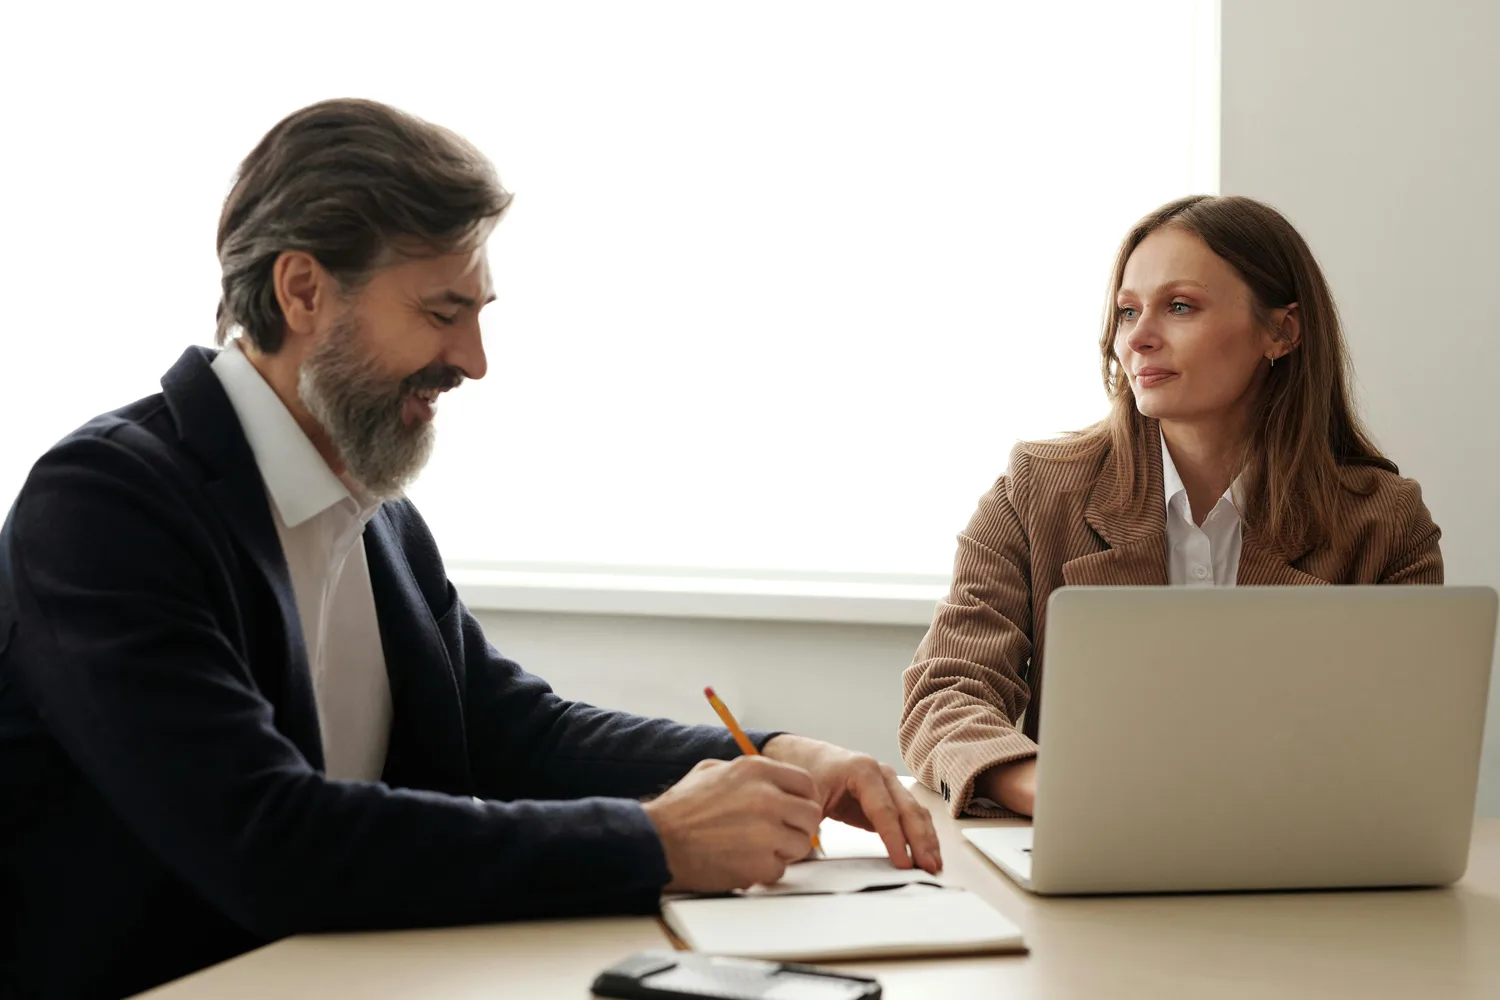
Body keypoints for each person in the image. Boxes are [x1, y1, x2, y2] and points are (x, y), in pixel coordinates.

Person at [0, 98, 940, 1000]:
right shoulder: (105, 504)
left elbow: (516, 735)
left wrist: (782, 756)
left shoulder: (374, 513)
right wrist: (654, 842)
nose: (476, 359)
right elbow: (266, 837)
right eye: (443, 313)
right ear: (303, 291)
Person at [900, 195, 1442, 821]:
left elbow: (1413, 745)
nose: (1139, 338)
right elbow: (946, 694)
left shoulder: (1385, 523)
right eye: (1128, 312)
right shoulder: (1036, 491)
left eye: (1179, 307)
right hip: (1095, 851)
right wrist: (1052, 789)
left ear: (1283, 332)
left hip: (1299, 862)